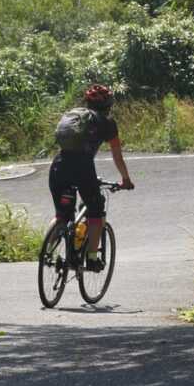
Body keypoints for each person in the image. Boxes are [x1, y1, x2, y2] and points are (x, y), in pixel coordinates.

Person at [48, 84, 134, 271]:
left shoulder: (75, 117)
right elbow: (117, 156)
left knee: (62, 215)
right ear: (109, 105)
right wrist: (126, 180)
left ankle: (46, 250)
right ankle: (93, 258)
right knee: (96, 211)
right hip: (82, 169)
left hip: (58, 166)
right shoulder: (108, 123)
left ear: (87, 102)